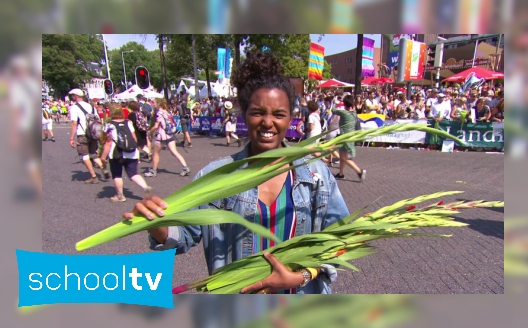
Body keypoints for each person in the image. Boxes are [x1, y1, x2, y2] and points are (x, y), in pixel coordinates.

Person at [122, 50, 350, 294]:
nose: (268, 122)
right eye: (258, 112)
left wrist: (300, 276)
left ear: (291, 118)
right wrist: (156, 224)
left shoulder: (316, 176)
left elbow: (340, 240)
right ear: (244, 113)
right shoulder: (215, 178)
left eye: (279, 114)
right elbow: (183, 236)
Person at [100, 105, 152, 202]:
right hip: (131, 152)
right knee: (133, 174)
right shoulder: (128, 123)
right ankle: (145, 187)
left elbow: (108, 142)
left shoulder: (109, 125)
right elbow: (134, 138)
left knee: (117, 174)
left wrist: (103, 157)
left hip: (116, 153)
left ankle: (120, 195)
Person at [69, 88, 110, 184]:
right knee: (93, 154)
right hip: (93, 133)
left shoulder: (75, 107)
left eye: (72, 95)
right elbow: (98, 120)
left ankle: (93, 176)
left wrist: (71, 137)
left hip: (82, 133)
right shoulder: (91, 107)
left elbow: (74, 123)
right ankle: (103, 168)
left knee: (85, 156)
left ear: (75, 96)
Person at [144, 99, 191, 178]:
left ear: (158, 104)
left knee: (156, 153)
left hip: (161, 136)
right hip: (170, 135)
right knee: (174, 152)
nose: (153, 104)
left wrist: (149, 133)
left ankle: (153, 171)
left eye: (154, 103)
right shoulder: (167, 112)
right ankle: (185, 167)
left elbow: (156, 126)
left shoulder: (159, 113)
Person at [331, 95, 366, 182]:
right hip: (350, 137)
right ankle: (341, 173)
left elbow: (333, 110)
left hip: (345, 137)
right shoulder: (354, 113)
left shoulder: (344, 113)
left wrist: (335, 103)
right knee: (343, 155)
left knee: (345, 158)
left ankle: (359, 171)